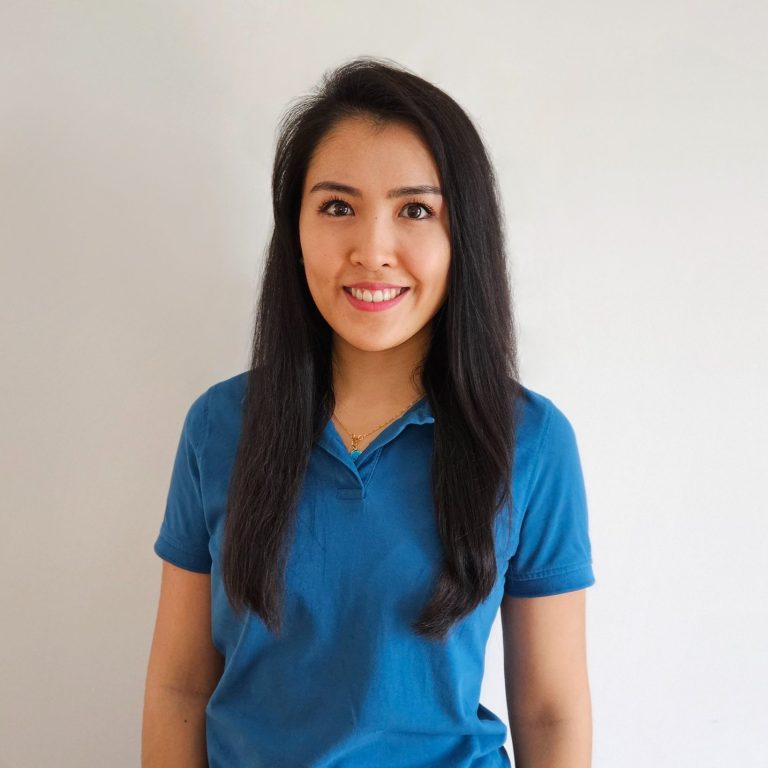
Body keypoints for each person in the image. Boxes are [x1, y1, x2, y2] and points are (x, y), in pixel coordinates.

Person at [142, 56, 595, 768]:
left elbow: (550, 711)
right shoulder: (220, 426)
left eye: (415, 210)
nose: (373, 251)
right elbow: (179, 686)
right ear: (294, 228)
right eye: (337, 207)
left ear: (462, 235)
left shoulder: (529, 441)